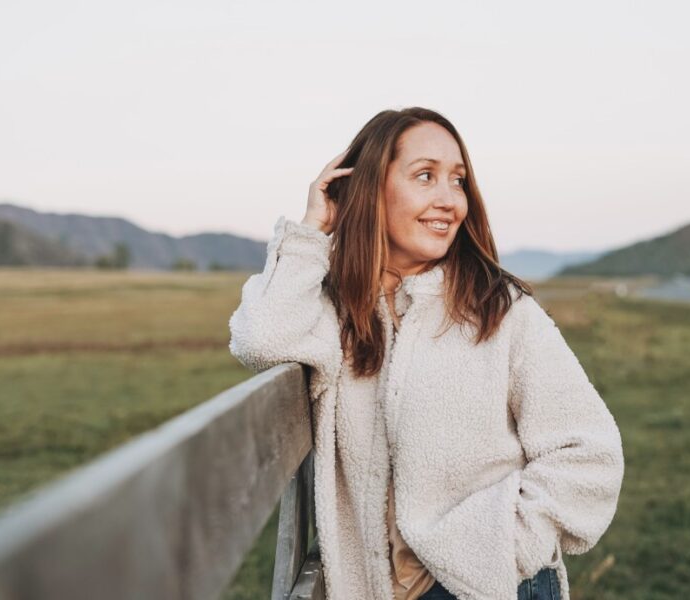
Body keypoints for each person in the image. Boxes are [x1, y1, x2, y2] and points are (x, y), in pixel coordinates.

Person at [229, 107, 624, 600]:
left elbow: (589, 454)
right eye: (425, 176)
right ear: (371, 188)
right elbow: (260, 337)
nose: (448, 200)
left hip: (490, 585)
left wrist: (499, 549)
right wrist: (312, 229)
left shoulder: (500, 310)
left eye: (457, 181)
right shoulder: (335, 313)